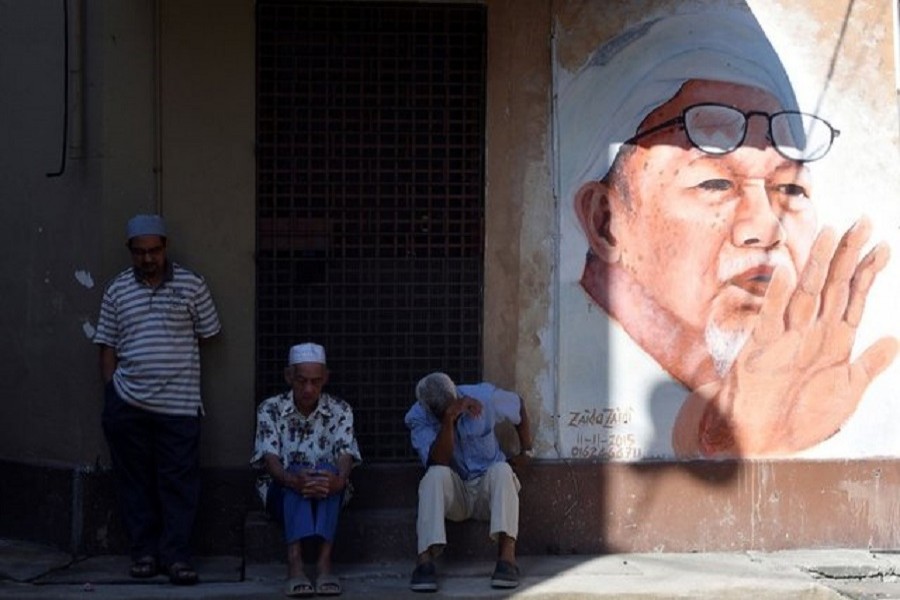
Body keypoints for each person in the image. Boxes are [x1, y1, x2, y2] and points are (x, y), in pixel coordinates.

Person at [558, 8, 898, 458]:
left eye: (790, 188)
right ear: (606, 222)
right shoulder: (571, 364)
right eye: (715, 184)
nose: (765, 228)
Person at [93, 214, 221, 585]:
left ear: (165, 247)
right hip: (127, 404)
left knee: (179, 484)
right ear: (130, 252)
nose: (148, 259)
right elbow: (107, 347)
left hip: (179, 406)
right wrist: (112, 394)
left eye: (154, 250)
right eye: (140, 252)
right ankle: (144, 554)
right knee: (135, 483)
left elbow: (209, 333)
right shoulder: (117, 290)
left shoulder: (192, 285)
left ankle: (177, 557)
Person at [251, 342, 361, 598]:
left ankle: (324, 564)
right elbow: (271, 460)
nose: (309, 388)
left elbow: (345, 453)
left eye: (316, 381)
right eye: (302, 381)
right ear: (289, 376)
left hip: (328, 490)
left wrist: (339, 479)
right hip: (282, 492)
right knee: (298, 473)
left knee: (325, 473)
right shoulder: (270, 408)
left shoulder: (341, 410)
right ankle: (295, 563)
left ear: (325, 379)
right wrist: (292, 479)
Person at [405, 372, 532, 592]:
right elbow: (439, 460)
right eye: (439, 413)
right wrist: (448, 420)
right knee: (433, 476)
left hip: (487, 490)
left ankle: (507, 560)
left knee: (503, 470)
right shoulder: (418, 416)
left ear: (456, 392)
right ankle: (424, 561)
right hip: (457, 495)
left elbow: (518, 406)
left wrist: (527, 451)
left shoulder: (484, 397)